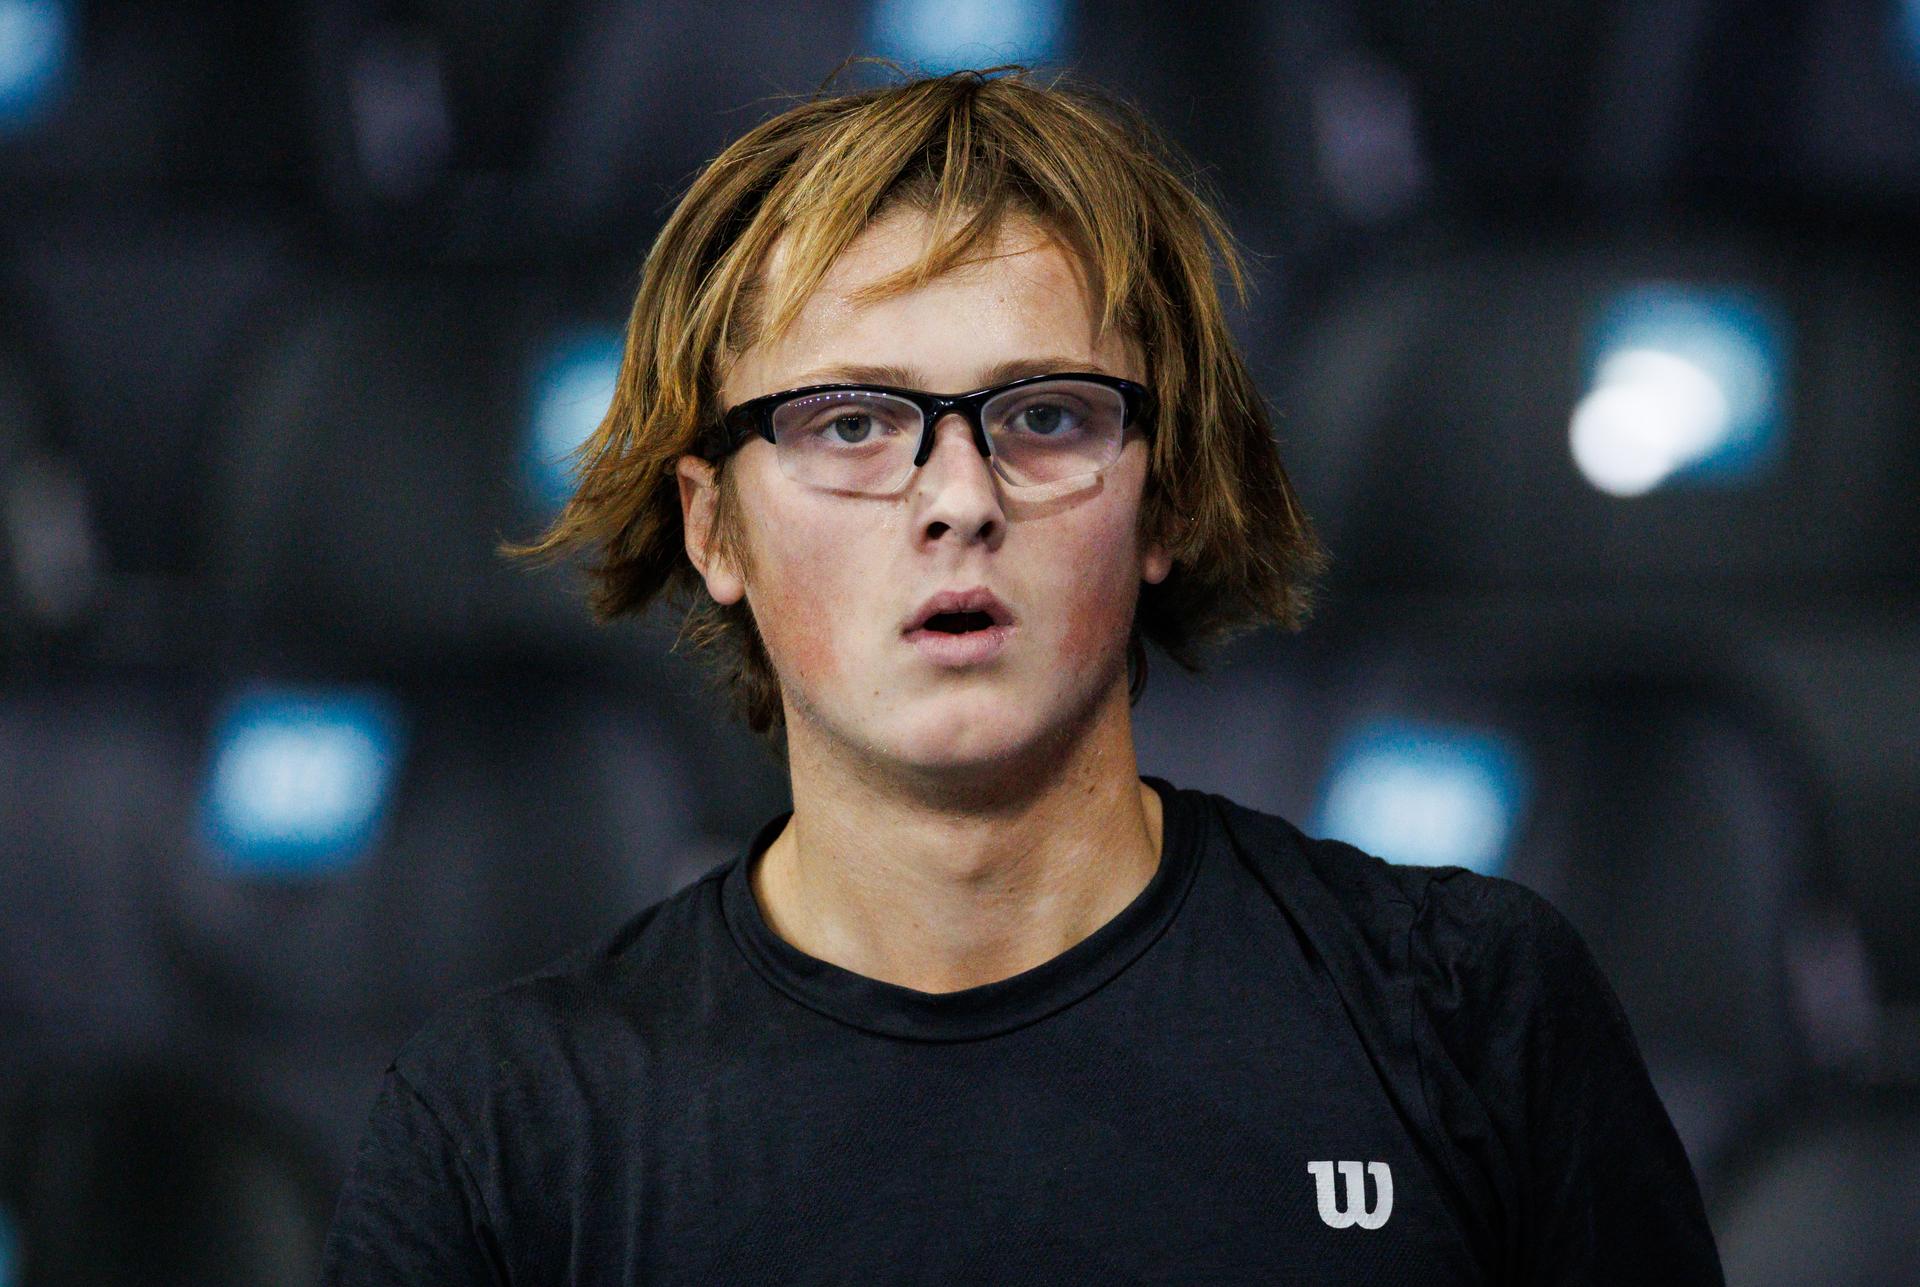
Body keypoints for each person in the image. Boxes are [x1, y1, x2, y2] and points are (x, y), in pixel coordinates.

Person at [322, 65, 1725, 1284]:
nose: (958, 498)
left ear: (1166, 497)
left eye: (1045, 416)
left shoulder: (1471, 1014)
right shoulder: (505, 1131)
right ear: (713, 526)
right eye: (854, 422)